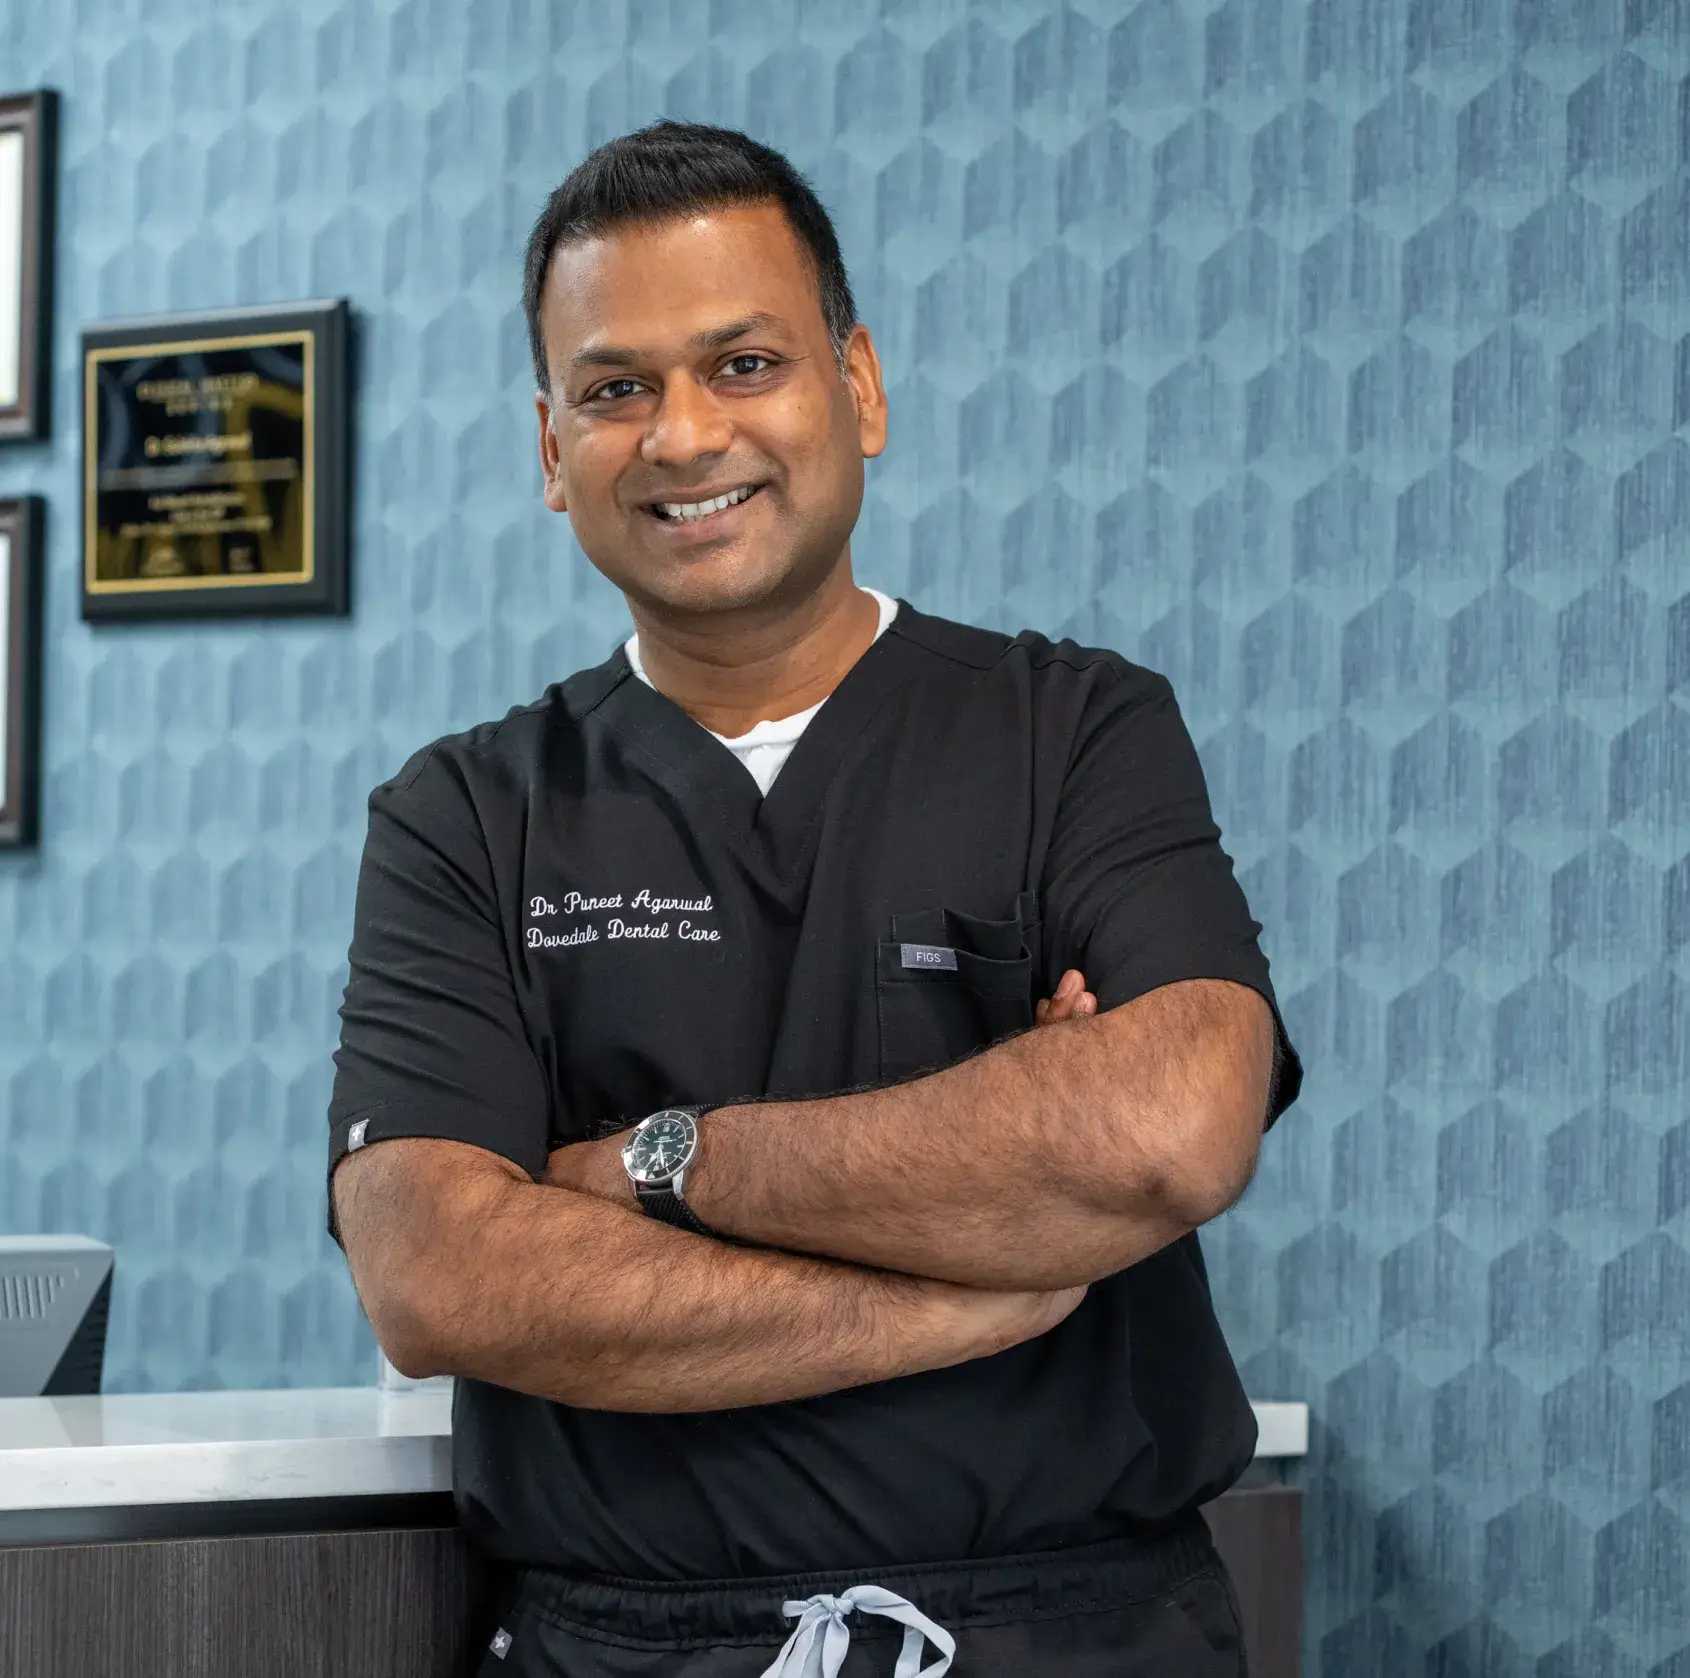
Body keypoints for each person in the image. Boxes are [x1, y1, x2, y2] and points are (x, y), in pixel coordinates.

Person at [328, 120, 1301, 1678]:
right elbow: (440, 1272)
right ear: (547, 450)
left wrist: (649, 1164)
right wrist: (977, 1286)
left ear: (856, 387)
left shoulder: (1074, 730)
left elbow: (1167, 1126)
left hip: (1071, 1637)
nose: (681, 435)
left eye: (740, 364)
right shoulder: (466, 815)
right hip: (623, 1645)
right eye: (614, 389)